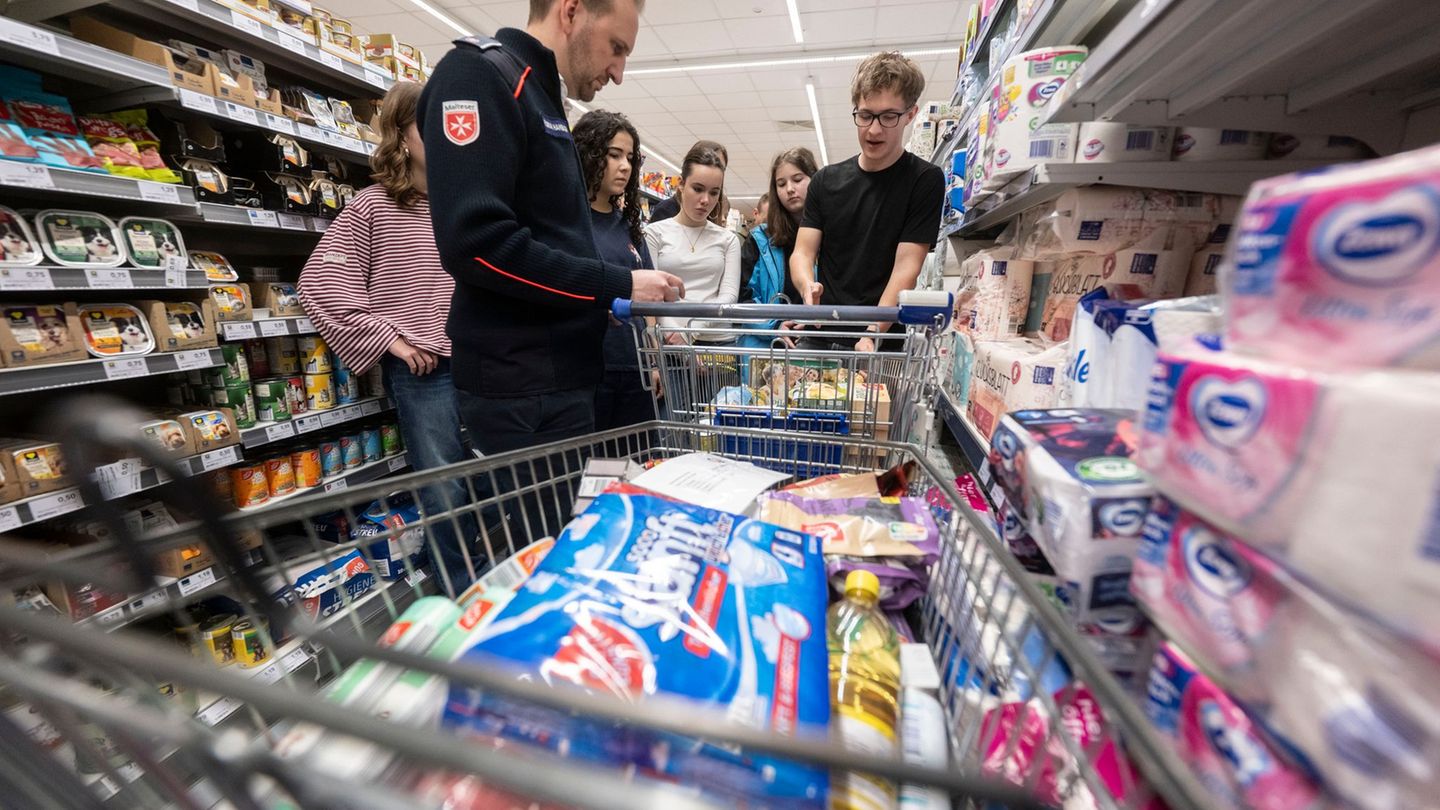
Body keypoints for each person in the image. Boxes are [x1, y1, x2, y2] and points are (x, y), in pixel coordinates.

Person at [418, 0, 683, 457]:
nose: (618, 71)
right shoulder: (478, 77)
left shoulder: (541, 96)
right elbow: (477, 244)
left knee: (561, 524)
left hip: (557, 385)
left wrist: (588, 301)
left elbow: (548, 240)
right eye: (615, 47)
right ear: (571, 11)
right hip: (522, 391)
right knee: (536, 528)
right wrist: (615, 284)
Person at [297, 81, 479, 587]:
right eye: (428, 125)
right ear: (400, 135)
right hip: (427, 375)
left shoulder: (468, 205)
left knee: (494, 482)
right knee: (446, 491)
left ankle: (491, 582)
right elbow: (320, 282)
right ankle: (460, 596)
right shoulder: (372, 208)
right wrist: (389, 339)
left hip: (486, 366)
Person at [789, 51, 945, 353]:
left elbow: (906, 268)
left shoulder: (924, 180)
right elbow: (802, 253)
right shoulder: (825, 181)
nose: (874, 130)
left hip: (881, 340)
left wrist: (872, 332)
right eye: (865, 115)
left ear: (911, 115)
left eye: (889, 116)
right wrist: (807, 286)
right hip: (822, 333)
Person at [574, 109, 656, 429]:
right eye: (614, 155)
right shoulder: (571, 224)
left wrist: (653, 359)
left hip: (635, 368)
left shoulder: (628, 226)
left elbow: (647, 298)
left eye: (630, 157)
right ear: (589, 154)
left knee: (637, 460)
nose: (625, 166)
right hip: (591, 369)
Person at [645, 145, 740, 346]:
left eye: (714, 193)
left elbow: (728, 296)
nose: (705, 200)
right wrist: (674, 335)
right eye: (697, 189)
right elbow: (652, 293)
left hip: (718, 345)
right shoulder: (654, 233)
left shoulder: (728, 239)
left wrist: (691, 331)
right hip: (670, 343)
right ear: (681, 184)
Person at [738, 147, 819, 351]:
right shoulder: (759, 239)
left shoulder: (832, 238)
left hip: (815, 346)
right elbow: (744, 297)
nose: (790, 189)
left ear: (815, 180)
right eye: (781, 184)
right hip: (765, 348)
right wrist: (775, 326)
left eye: (798, 179)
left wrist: (812, 323)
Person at [648, 139, 728, 225]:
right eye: (697, 189)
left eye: (721, 167)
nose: (714, 166)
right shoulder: (666, 209)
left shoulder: (714, 210)